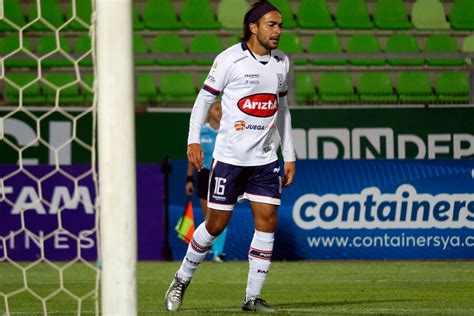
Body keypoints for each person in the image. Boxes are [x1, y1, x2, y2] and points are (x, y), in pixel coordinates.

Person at [165, 0, 296, 312]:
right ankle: (182, 278)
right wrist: (193, 140)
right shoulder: (229, 60)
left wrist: (288, 154)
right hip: (229, 159)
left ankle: (251, 298)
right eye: (271, 25)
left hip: (265, 160)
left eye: (280, 26)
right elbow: (203, 100)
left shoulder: (282, 62)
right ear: (253, 27)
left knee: (267, 221)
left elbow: (283, 111)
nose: (278, 31)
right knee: (215, 224)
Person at [185, 100, 228, 263]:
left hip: (222, 174)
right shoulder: (202, 132)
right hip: (204, 174)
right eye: (217, 109)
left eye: (222, 109)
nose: (220, 112)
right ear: (209, 111)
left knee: (222, 214)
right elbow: (192, 157)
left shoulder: (227, 131)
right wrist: (189, 178)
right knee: (209, 216)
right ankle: (207, 249)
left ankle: (218, 252)